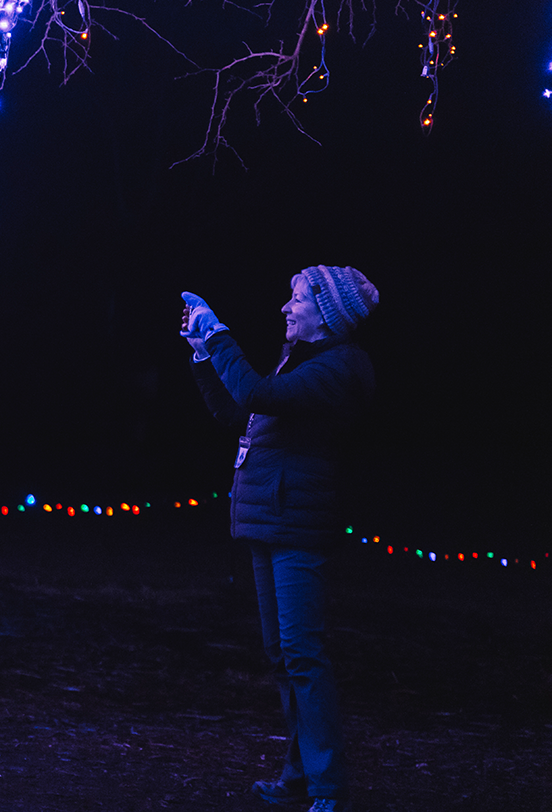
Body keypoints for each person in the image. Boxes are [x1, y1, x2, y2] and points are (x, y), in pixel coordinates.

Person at [181, 266, 379, 812]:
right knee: (282, 653)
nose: (286, 308)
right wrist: (203, 354)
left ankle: (327, 786)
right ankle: (300, 774)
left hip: (298, 522)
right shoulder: (301, 361)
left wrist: (218, 333)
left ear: (327, 315)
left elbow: (256, 393)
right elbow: (237, 410)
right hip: (272, 517)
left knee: (303, 654)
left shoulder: (339, 367)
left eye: (297, 299)